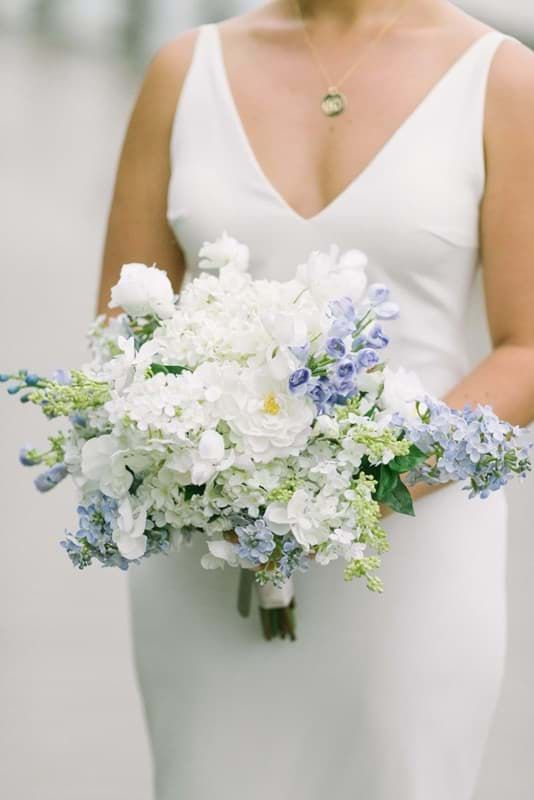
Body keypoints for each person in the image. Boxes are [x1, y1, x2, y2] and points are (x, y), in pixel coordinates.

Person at [97, 1, 534, 798]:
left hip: (414, 555)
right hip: (208, 548)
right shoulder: (182, 72)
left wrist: (350, 487)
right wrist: (209, 468)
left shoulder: (500, 78)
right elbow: (123, 328)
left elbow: (528, 345)